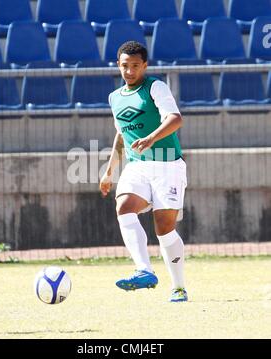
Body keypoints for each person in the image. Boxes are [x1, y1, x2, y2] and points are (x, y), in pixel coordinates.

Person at [99, 41, 188, 302]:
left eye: (135, 66)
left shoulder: (155, 87)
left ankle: (179, 286)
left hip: (167, 163)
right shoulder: (114, 98)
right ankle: (144, 270)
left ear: (145, 66)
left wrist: (150, 138)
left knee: (164, 228)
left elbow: (175, 118)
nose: (129, 71)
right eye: (125, 66)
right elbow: (120, 134)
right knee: (124, 206)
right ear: (118, 65)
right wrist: (109, 171)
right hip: (137, 165)